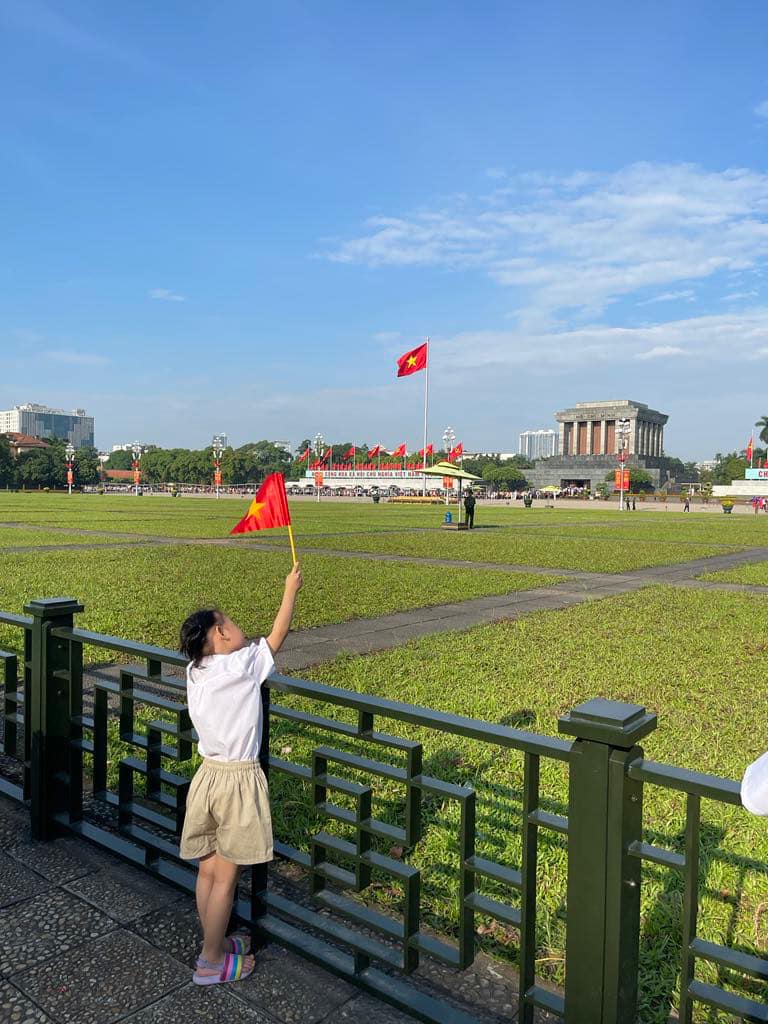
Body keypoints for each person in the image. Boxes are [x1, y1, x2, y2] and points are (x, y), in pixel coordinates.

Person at [178, 563, 303, 985]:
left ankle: (214, 941)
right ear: (220, 635)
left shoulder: (195, 671)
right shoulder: (244, 665)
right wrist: (291, 589)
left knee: (208, 871)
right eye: (228, 621)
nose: (235, 624)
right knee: (227, 877)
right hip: (237, 780)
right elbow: (278, 636)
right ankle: (211, 961)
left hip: (208, 775)